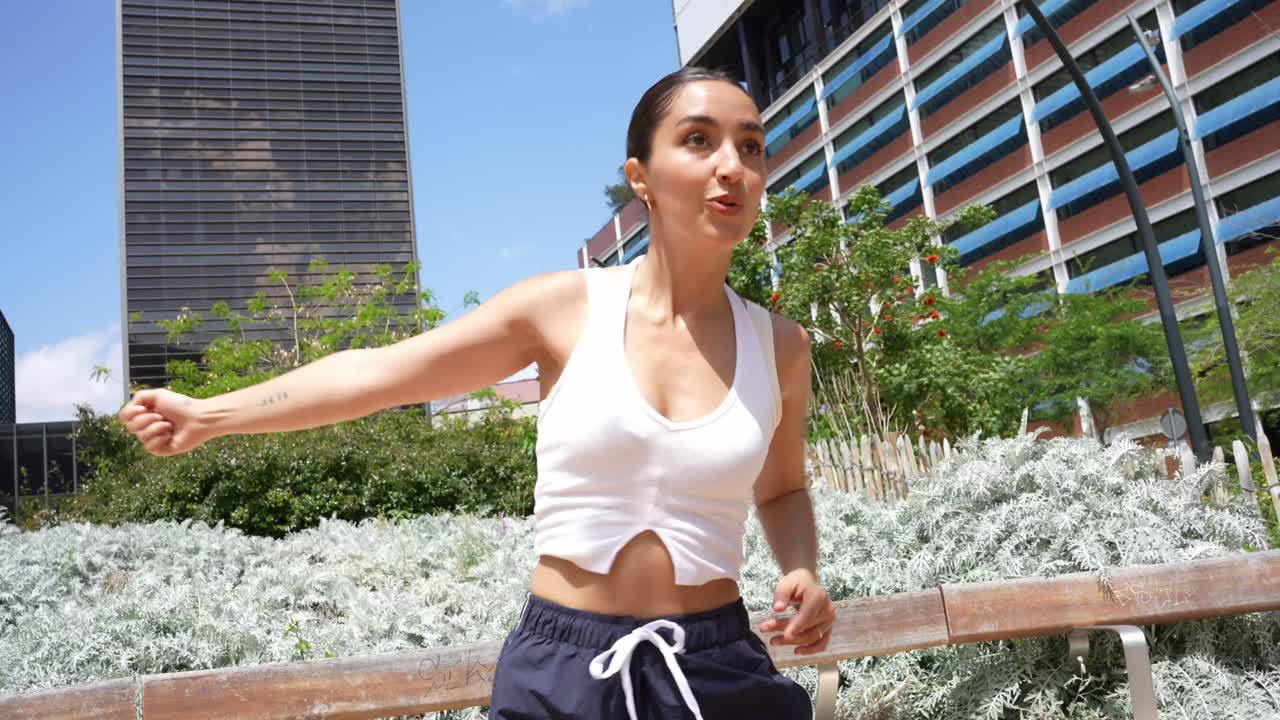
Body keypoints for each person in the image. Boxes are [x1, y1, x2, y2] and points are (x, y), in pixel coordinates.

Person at [117, 66, 835, 719]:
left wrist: (801, 568)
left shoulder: (781, 347)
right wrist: (210, 414)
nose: (731, 166)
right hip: (564, 673)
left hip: (716, 672)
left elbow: (780, 491)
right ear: (640, 176)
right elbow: (379, 373)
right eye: (699, 140)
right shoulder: (561, 309)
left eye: (751, 147)